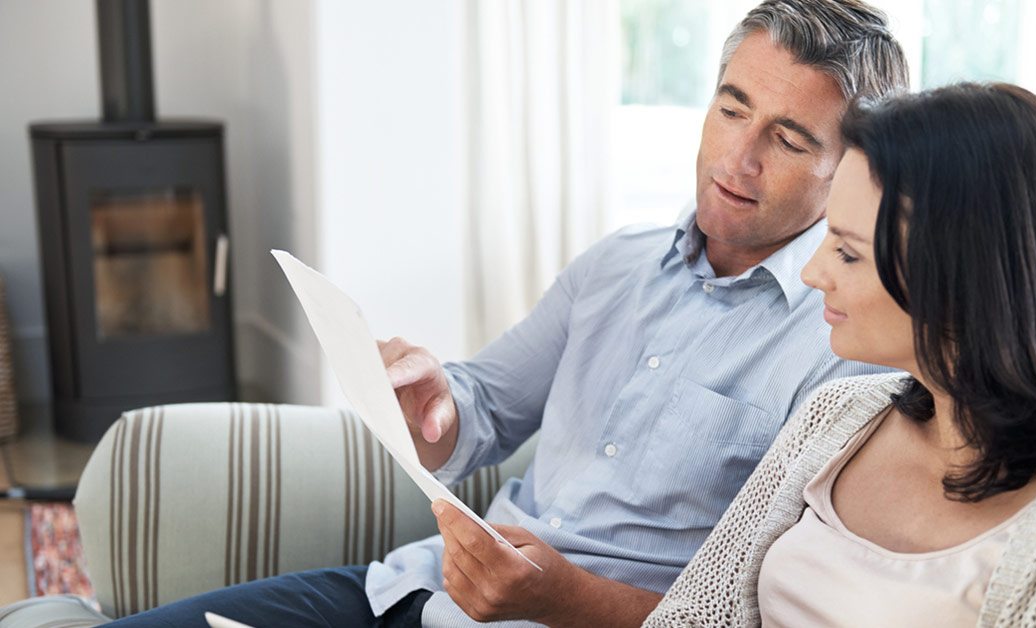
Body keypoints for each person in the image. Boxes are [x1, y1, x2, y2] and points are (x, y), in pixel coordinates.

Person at [107, 2, 907, 626]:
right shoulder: (617, 264)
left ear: (849, 170)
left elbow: (759, 615)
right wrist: (435, 404)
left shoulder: (845, 351)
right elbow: (482, 405)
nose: (739, 157)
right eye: (732, 109)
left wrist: (564, 598)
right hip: (414, 590)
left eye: (788, 140)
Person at [645, 82, 1036, 627]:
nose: (813, 273)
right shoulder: (836, 415)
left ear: (966, 277)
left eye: (847, 252)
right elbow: (690, 614)